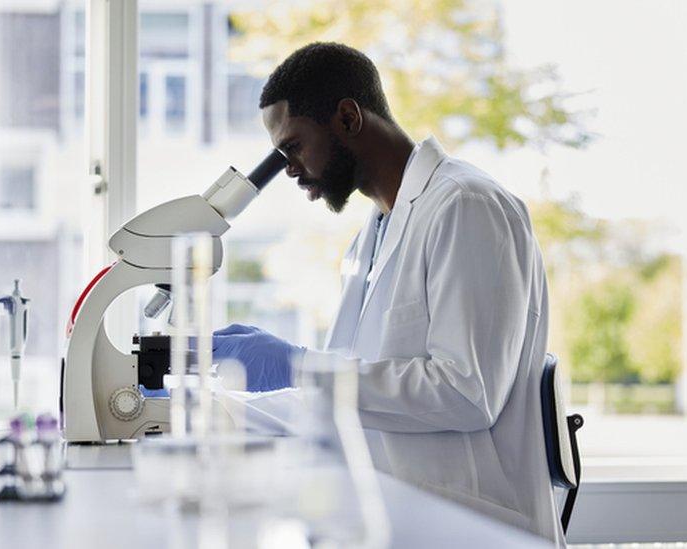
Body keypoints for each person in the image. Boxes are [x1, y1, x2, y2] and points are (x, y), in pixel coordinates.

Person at [212, 42, 560, 542]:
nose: (288, 169)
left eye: (293, 147)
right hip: (399, 519)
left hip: (475, 526)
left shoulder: (465, 205)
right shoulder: (368, 240)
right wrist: (210, 403)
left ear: (348, 118)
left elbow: (467, 392)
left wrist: (297, 363)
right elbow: (343, 400)